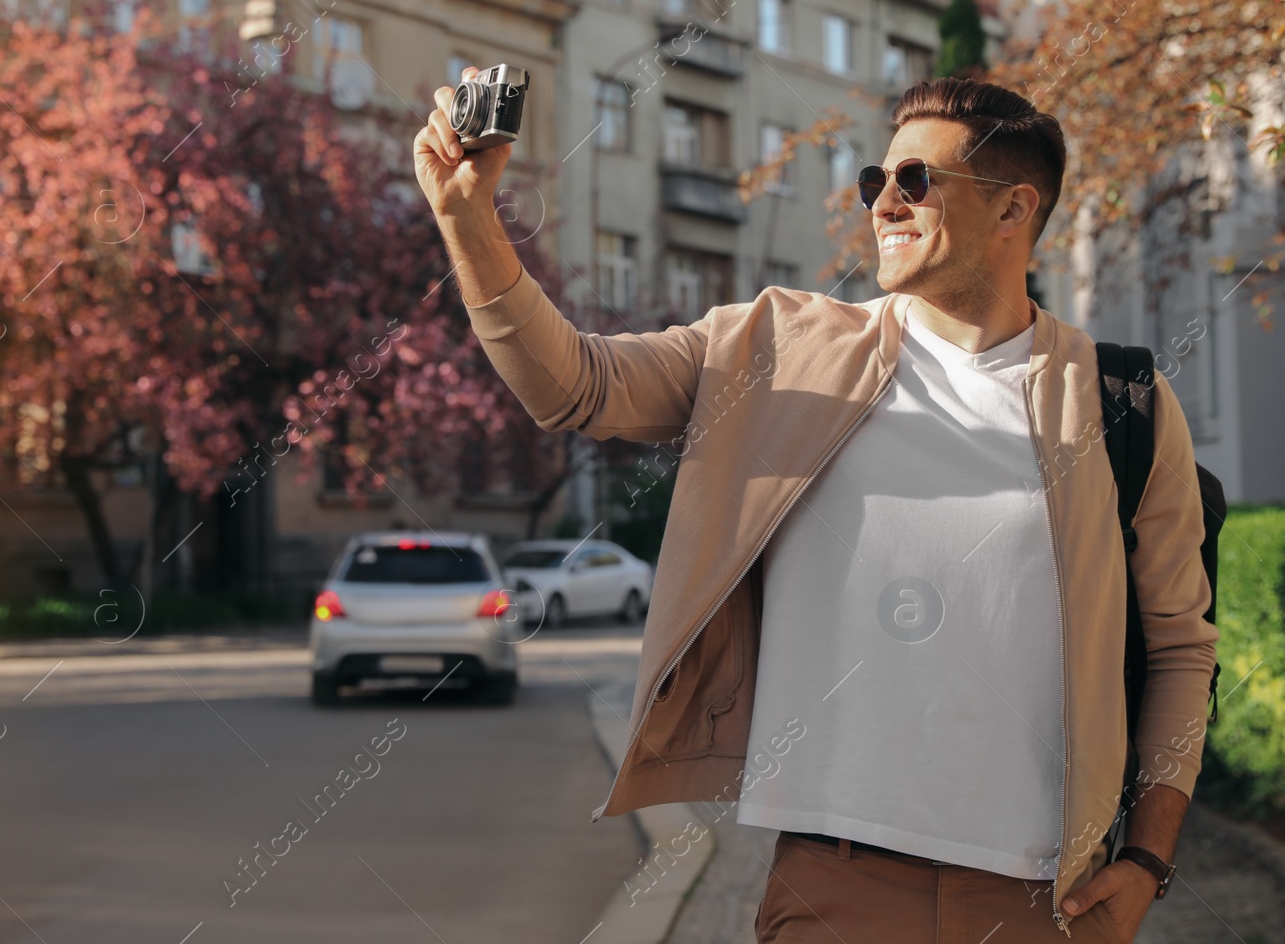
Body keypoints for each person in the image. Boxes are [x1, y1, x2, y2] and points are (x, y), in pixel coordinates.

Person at [414, 72, 1218, 943]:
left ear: (1014, 209)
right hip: (835, 889)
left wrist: (1146, 860)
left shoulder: (1122, 400)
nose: (884, 204)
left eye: (915, 182)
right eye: (876, 182)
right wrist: (470, 222)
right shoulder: (778, 348)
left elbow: (1180, 644)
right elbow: (575, 385)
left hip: (1044, 900)